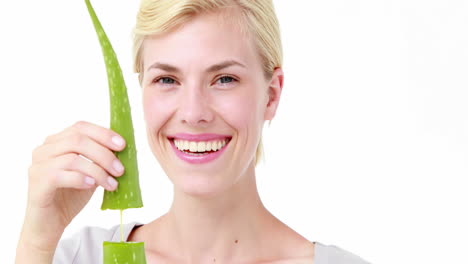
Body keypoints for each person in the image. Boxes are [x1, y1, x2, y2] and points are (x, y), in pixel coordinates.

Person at [16, 0, 370, 263]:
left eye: (224, 79)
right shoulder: (78, 257)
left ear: (271, 95)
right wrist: (36, 241)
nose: (193, 112)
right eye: (167, 79)